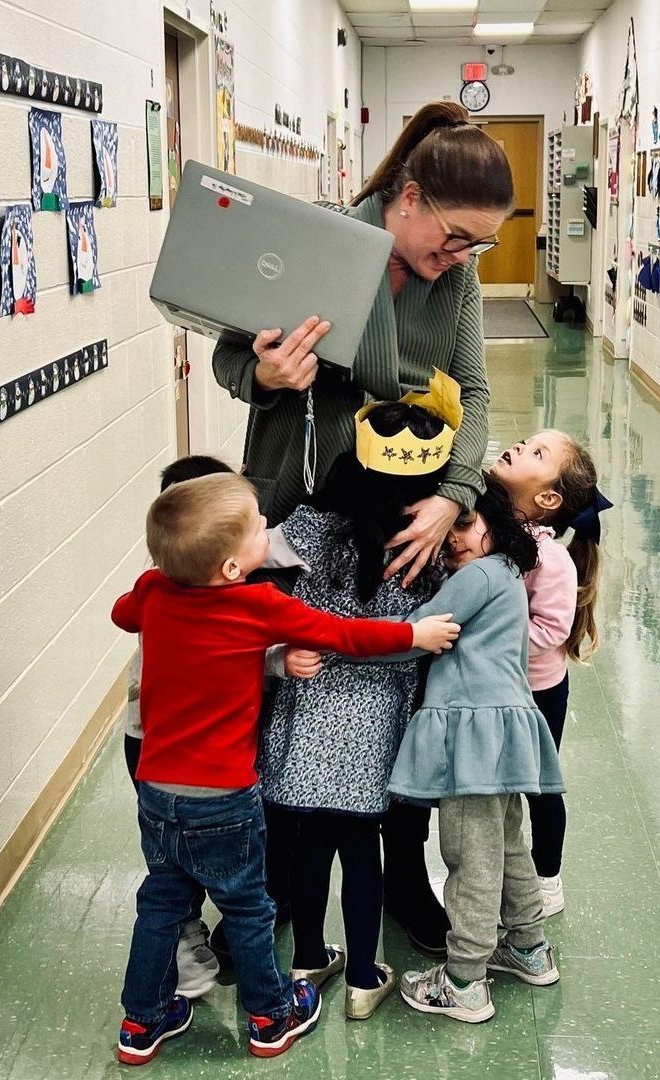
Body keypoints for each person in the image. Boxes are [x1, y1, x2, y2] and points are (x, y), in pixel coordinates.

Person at [212, 99, 514, 951]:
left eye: (477, 246)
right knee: (285, 685)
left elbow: (475, 391)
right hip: (294, 499)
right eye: (454, 236)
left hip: (403, 509)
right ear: (408, 196)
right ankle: (274, 887)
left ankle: (399, 874)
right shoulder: (315, 245)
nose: (459, 257)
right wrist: (268, 375)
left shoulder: (450, 281)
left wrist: (454, 494)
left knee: (397, 690)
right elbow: (230, 355)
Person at [112, 472, 459, 1064]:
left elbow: (123, 614)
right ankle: (272, 1016)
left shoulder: (153, 590)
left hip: (156, 785)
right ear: (228, 569)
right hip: (224, 793)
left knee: (162, 902)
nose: (268, 531)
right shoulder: (257, 604)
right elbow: (344, 634)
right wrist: (415, 632)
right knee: (249, 907)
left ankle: (141, 1024)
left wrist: (163, 586)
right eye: (256, 530)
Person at [258, 373, 461, 1021]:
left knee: (310, 843)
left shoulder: (312, 526)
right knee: (361, 848)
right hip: (376, 720)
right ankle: (364, 977)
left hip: (307, 706)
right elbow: (425, 637)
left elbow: (261, 570)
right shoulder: (425, 546)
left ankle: (310, 956)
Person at [386, 478, 565, 1023]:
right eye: (446, 535)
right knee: (508, 844)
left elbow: (419, 628)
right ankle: (530, 948)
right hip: (504, 730)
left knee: (471, 856)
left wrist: (354, 639)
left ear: (493, 521)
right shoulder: (508, 572)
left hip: (472, 737)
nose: (453, 541)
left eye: (462, 525)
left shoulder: (478, 575)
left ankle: (464, 980)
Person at [123, 457, 235, 1005]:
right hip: (170, 748)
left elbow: (123, 612)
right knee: (186, 860)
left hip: (148, 745)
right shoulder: (213, 596)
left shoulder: (154, 588)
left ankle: (176, 960)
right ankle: (194, 944)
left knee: (167, 858)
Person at [489, 431, 609, 916]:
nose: (520, 446)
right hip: (494, 685)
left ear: (548, 499)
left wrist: (491, 643)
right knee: (498, 783)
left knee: (540, 785)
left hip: (537, 691)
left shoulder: (550, 557)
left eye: (537, 453)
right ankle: (500, 870)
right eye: (525, 442)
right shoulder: (489, 530)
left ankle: (547, 877)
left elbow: (552, 629)